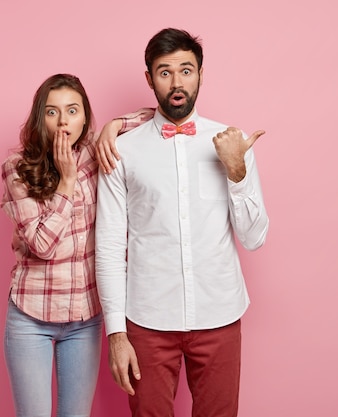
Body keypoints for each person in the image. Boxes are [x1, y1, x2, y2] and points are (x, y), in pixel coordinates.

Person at [95, 28, 269, 417]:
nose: (177, 83)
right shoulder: (121, 149)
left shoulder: (234, 141)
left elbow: (254, 238)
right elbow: (107, 246)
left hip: (219, 314)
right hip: (147, 320)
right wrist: (116, 334)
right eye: (165, 72)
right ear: (149, 79)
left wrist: (237, 171)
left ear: (201, 75)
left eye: (186, 71)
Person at [0, 73, 152, 417]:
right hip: (31, 315)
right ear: (40, 117)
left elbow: (149, 116)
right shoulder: (17, 169)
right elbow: (42, 245)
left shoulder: (96, 154)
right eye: (52, 112)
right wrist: (66, 182)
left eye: (73, 110)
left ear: (85, 117)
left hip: (84, 318)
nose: (63, 120)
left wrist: (113, 126)